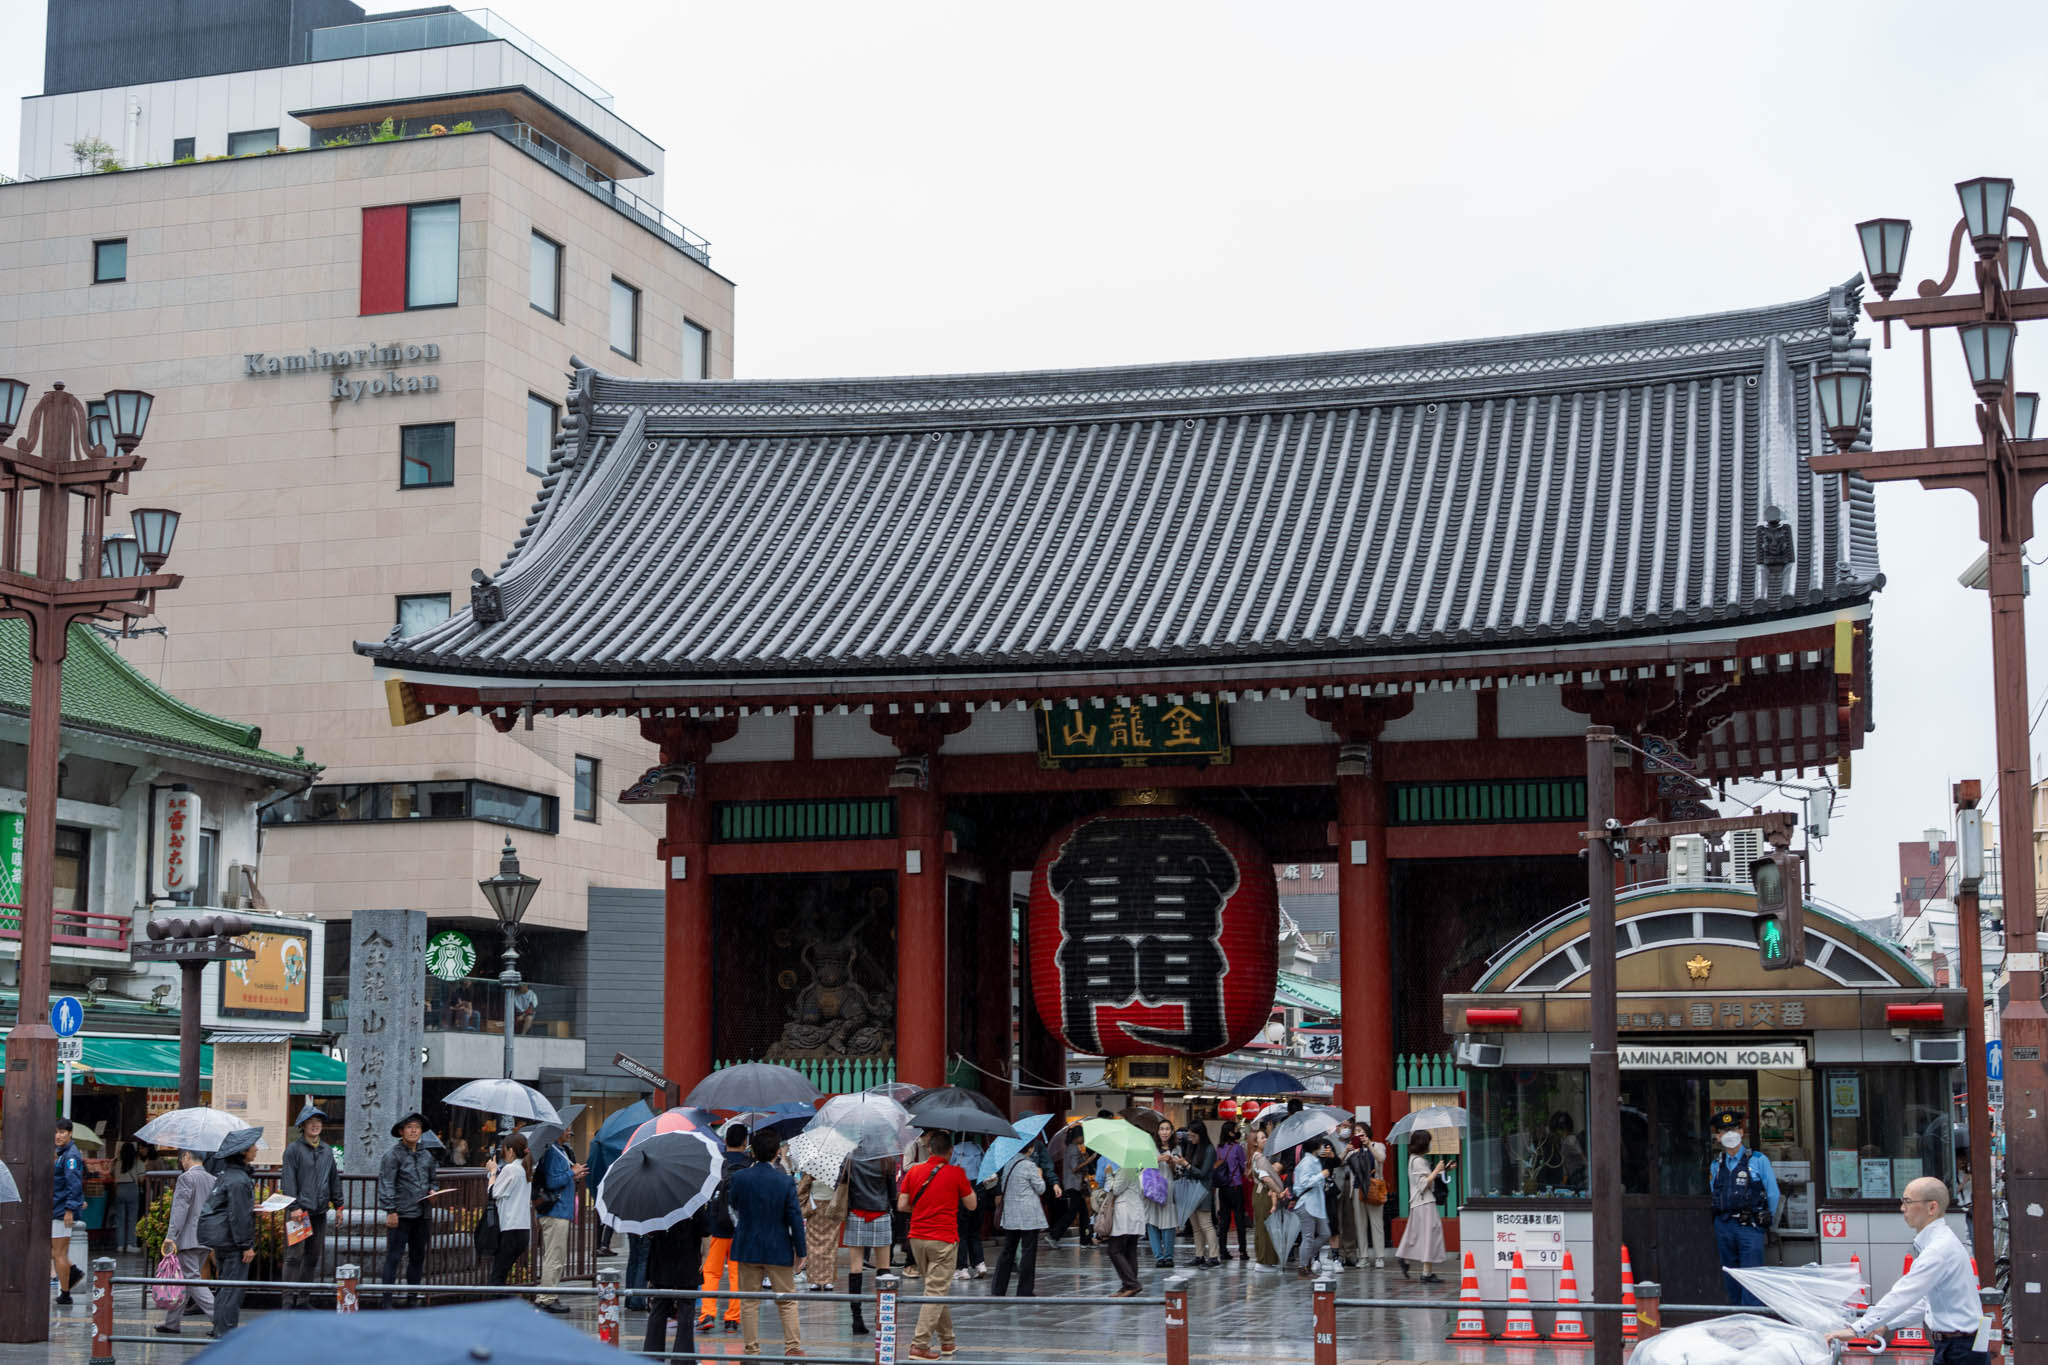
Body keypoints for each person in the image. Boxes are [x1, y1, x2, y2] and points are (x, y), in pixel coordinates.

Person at [1828, 1177, 1985, 1364]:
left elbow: (1903, 1295)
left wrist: (1856, 1329)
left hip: (1961, 1348)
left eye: (1908, 1202)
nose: (1903, 1208)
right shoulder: (1939, 1243)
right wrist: (1885, 1324)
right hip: (1957, 1345)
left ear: (1932, 1207)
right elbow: (1925, 1303)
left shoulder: (1938, 1250)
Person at [898, 1129, 977, 1360]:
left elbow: (902, 1205)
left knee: (935, 1289)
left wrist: (922, 1210)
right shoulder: (956, 1173)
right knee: (935, 1290)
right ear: (950, 1151)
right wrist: (963, 1182)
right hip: (943, 1238)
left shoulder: (914, 1171)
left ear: (929, 1149)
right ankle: (920, 1345)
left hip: (917, 1239)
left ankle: (948, 1341)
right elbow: (972, 1205)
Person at [730, 1129, 808, 1358]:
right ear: (776, 1153)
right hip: (778, 1246)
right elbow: (794, 1217)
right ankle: (792, 1348)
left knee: (749, 1301)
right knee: (787, 1300)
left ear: (753, 1151)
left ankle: (751, 1350)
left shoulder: (740, 1178)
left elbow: (734, 1203)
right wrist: (801, 1250)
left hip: (747, 1245)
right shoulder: (785, 1181)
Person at [1708, 1108, 1779, 1306]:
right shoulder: (1716, 1165)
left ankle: (1753, 1318)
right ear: (1718, 1136)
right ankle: (1737, 1314)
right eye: (1724, 1131)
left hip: (1750, 1226)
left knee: (1752, 1277)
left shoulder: (1758, 1160)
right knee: (1731, 1276)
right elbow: (1715, 1191)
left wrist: (1764, 1222)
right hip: (1725, 1226)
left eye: (1733, 1129)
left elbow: (1773, 1194)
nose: (1729, 1134)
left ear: (1741, 1132)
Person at [280, 1103, 343, 1308]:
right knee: (293, 1257)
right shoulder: (293, 1150)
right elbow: (288, 1180)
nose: (315, 1126)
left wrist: (339, 1205)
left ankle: (303, 1299)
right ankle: (287, 1302)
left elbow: (333, 1179)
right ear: (303, 1125)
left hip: (319, 1211)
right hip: (299, 1212)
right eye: (311, 1122)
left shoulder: (326, 1150)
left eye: (318, 1122)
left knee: (313, 1256)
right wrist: (294, 1207)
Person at [377, 1111, 441, 1309]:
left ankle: (412, 1298)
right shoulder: (392, 1155)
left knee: (418, 1257)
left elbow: (433, 1180)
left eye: (417, 1128)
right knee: (394, 1257)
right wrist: (390, 1210)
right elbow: (387, 1183)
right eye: (410, 1127)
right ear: (401, 1131)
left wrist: (434, 1191)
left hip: (422, 1213)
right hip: (401, 1213)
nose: (414, 1131)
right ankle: (386, 1301)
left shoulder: (427, 1155)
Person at [197, 1132, 257, 1336]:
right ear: (243, 1152)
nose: (256, 1149)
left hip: (222, 1239)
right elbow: (238, 1216)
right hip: (233, 1242)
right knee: (232, 1289)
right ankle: (225, 1331)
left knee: (224, 1286)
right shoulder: (239, 1180)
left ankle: (219, 1328)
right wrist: (246, 1245)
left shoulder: (226, 1175)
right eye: (253, 1146)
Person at [699, 1123, 754, 1334]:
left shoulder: (716, 1162)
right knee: (736, 1273)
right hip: (741, 1228)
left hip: (717, 1225)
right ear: (744, 1142)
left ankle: (707, 1314)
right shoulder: (750, 1165)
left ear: (725, 1141)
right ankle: (732, 1318)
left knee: (711, 1272)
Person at [154, 1150, 216, 1336]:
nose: (181, 1163)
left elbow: (180, 1209)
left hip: (188, 1238)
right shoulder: (212, 1179)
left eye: (181, 1158)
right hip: (205, 1237)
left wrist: (171, 1236)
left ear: (187, 1156)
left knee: (192, 1280)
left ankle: (220, 1319)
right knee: (186, 1280)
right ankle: (172, 1323)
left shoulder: (186, 1178)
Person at [644, 1198, 712, 1358]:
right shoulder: (693, 1201)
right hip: (687, 1261)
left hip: (661, 1261)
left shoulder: (656, 1201)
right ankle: (683, 1358)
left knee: (659, 1308)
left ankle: (652, 1356)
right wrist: (705, 1256)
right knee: (686, 1311)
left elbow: (649, 1232)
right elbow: (705, 1231)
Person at [841, 1154, 895, 1335]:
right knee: (884, 1268)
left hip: (856, 1213)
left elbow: (841, 1184)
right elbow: (892, 1193)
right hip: (881, 1213)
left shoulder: (851, 1159)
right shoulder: (887, 1160)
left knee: (855, 1268)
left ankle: (857, 1319)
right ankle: (882, 1317)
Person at [990, 1135, 1047, 1295]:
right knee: (1028, 1252)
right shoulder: (1029, 1165)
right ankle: (1025, 1290)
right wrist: (1040, 1174)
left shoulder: (1009, 1163)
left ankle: (998, 1288)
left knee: (1008, 1250)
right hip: (1028, 1216)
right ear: (1031, 1148)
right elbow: (1041, 1188)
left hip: (1011, 1214)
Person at [531, 1130, 579, 1315]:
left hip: (559, 1211)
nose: (569, 1132)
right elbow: (552, 1182)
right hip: (556, 1211)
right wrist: (571, 1173)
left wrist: (572, 1175)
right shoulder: (553, 1152)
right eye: (566, 1129)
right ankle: (547, 1298)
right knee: (554, 1256)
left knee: (555, 1255)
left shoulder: (560, 1150)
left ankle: (549, 1294)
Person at [1395, 1130, 1449, 1283]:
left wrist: (1443, 1169)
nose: (1430, 1144)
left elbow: (1426, 1179)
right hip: (1424, 1202)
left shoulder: (1416, 1159)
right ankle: (1426, 1273)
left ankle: (1405, 1257)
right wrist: (1436, 1170)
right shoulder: (1418, 1161)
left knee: (1417, 1234)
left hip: (1420, 1202)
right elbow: (1423, 1184)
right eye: (1429, 1141)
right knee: (1429, 1235)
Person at [484, 1133, 533, 1287]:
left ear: (510, 1150)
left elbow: (493, 1193)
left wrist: (493, 1172)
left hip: (509, 1228)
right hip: (523, 1228)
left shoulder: (511, 1169)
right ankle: (501, 1300)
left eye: (504, 1150)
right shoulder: (525, 1168)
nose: (503, 1154)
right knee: (502, 1273)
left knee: (497, 1276)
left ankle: (497, 1301)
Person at [50, 1119, 86, 1305]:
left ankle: (65, 1294)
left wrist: (70, 1209)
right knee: (56, 1252)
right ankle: (73, 1273)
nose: (58, 1136)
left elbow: (74, 1183)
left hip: (62, 1211)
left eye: (62, 1132)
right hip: (58, 1208)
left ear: (70, 1134)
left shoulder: (71, 1156)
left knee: (59, 1253)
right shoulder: (63, 1154)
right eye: (56, 1132)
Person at [1346, 1126, 1389, 1269]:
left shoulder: (1378, 1145)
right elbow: (1341, 1162)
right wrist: (1348, 1150)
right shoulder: (1354, 1149)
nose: (1358, 1133)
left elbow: (1381, 1159)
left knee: (1377, 1223)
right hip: (1357, 1188)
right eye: (1355, 1132)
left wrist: (1369, 1144)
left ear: (1367, 1132)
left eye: (1360, 1131)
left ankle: (1379, 1257)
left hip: (1373, 1187)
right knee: (1360, 1224)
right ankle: (1363, 1256)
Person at [1291, 1137, 1335, 1277]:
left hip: (1316, 1204)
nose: (1323, 1148)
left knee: (1325, 1233)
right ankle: (1303, 1267)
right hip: (1307, 1204)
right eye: (1321, 1145)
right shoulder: (1307, 1163)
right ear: (1315, 1147)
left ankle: (1305, 1257)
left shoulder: (1315, 1161)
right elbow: (1304, 1182)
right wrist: (1321, 1176)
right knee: (1308, 1237)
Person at [1104, 1156, 1147, 1296]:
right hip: (1133, 1213)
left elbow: (1115, 1189)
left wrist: (1109, 1175)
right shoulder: (1134, 1168)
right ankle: (1128, 1286)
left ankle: (1132, 1284)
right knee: (1129, 1251)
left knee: (1114, 1250)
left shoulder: (1127, 1168)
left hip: (1126, 1214)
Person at [799, 1162, 845, 1294]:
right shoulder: (840, 1165)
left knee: (813, 1243)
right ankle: (828, 1280)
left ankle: (815, 1280)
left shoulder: (812, 1165)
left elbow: (802, 1189)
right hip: (833, 1205)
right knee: (831, 1243)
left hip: (815, 1205)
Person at [1180, 1124, 1220, 1268]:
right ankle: (1199, 1255)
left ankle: (1214, 1256)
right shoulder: (1192, 1147)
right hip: (1190, 1190)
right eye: (1189, 1135)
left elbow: (1203, 1173)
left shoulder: (1209, 1149)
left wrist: (1186, 1165)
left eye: (1193, 1136)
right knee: (1196, 1227)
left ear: (1200, 1135)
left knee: (1206, 1224)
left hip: (1203, 1191)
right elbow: (1188, 1171)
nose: (1190, 1138)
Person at [950, 1133, 988, 1277]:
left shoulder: (955, 1150)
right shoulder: (979, 1149)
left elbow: (949, 1169)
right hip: (978, 1189)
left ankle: (962, 1268)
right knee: (975, 1230)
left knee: (961, 1231)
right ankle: (980, 1264)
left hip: (961, 1189)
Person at [1146, 1119, 1181, 1267]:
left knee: (1168, 1221)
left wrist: (1172, 1164)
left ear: (1172, 1131)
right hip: (1152, 1187)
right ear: (1158, 1131)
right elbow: (1141, 1166)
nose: (1164, 1132)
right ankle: (1159, 1257)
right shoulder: (1150, 1147)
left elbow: (1178, 1172)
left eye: (1167, 1129)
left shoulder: (1176, 1149)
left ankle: (1168, 1256)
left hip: (1168, 1187)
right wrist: (1158, 1159)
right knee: (1152, 1221)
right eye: (1162, 1129)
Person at [1250, 1129, 1285, 1270]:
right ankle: (1263, 1261)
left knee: (1264, 1226)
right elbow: (1266, 1178)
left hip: (1261, 1193)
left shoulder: (1259, 1156)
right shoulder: (1259, 1158)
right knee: (1264, 1227)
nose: (1265, 1140)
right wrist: (1278, 1191)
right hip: (1263, 1194)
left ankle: (1265, 1260)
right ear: (1255, 1142)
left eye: (1265, 1137)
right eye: (1262, 1138)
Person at [1214, 1122, 1248, 1260]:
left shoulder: (1219, 1148)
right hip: (1235, 1186)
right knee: (1239, 1220)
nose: (1237, 1132)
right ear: (1230, 1132)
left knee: (1224, 1220)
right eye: (1236, 1130)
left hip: (1223, 1187)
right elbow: (1243, 1166)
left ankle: (1223, 1250)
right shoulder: (1237, 1148)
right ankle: (1242, 1251)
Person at [113, 1140, 145, 1253]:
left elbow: (114, 1177)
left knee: (120, 1219)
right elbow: (141, 1179)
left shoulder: (118, 1163)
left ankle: (120, 1245)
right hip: (132, 1189)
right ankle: (131, 1244)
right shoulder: (138, 1163)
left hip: (120, 1189)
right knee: (132, 1218)